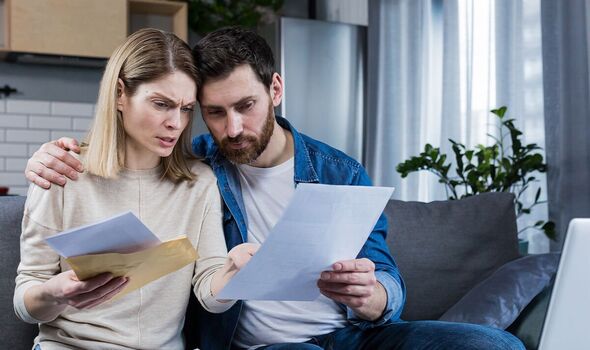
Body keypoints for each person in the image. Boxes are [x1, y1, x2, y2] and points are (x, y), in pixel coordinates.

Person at [25, 27, 525, 350]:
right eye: (215, 113)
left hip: (352, 335)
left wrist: (369, 294)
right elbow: (134, 165)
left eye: (246, 106)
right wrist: (47, 156)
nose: (234, 128)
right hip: (271, 346)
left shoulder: (338, 171)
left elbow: (387, 284)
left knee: (495, 346)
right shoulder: (202, 162)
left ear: (276, 90)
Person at [14, 28, 252, 350]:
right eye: (161, 104)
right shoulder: (62, 173)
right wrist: (53, 293)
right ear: (120, 94)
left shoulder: (200, 183)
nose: (176, 123)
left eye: (185, 109)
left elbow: (210, 294)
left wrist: (234, 273)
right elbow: (26, 300)